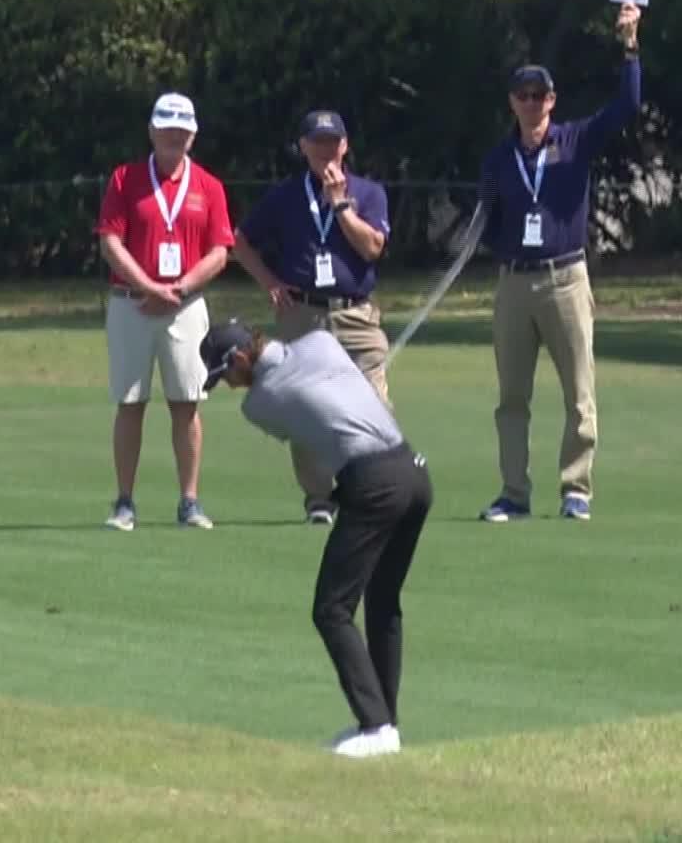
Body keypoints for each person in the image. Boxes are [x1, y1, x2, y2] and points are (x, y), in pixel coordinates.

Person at [199, 317, 432, 757]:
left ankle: (376, 725)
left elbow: (290, 417)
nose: (230, 387)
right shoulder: (323, 341)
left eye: (226, 375)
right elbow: (312, 356)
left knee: (331, 609)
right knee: (383, 601)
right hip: (415, 474)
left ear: (242, 357)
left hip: (375, 485)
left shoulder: (259, 405)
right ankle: (386, 725)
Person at [475, 2, 642, 524]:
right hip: (514, 284)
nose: (531, 104)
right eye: (522, 96)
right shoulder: (499, 159)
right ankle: (513, 493)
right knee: (512, 399)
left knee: (579, 392)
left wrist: (630, 45)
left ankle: (576, 489)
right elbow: (487, 218)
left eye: (539, 95)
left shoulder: (574, 140)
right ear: (512, 102)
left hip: (566, 278)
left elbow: (628, 107)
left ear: (552, 100)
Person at [230, 109, 394, 526]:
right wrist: (269, 281)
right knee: (305, 406)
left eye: (333, 142)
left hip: (354, 314)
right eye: (317, 143)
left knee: (375, 405)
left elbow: (372, 248)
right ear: (303, 147)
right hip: (302, 314)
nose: (326, 151)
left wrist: (340, 206)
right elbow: (241, 242)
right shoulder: (286, 197)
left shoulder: (369, 193)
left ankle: (375, 493)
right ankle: (319, 498)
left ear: (345, 146)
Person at [94, 91, 234, 531]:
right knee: (130, 403)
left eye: (181, 131)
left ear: (192, 136)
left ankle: (189, 502)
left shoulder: (209, 186)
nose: (173, 137)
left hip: (185, 307)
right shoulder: (124, 178)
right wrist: (149, 285)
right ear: (152, 131)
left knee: (186, 404)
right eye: (166, 129)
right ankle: (124, 502)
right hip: (131, 304)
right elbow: (110, 242)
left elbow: (220, 250)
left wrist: (180, 287)